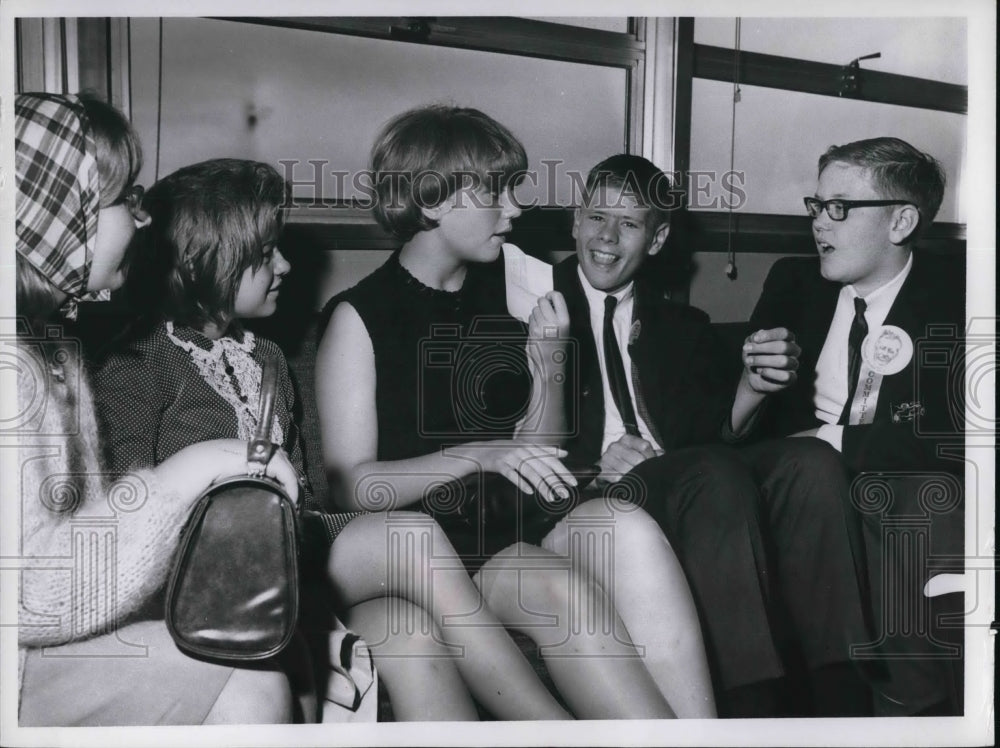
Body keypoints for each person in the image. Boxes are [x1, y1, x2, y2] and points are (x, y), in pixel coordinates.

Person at [93, 157, 572, 721]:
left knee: (409, 630)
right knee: (411, 536)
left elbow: (311, 501)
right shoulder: (138, 362)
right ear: (206, 261)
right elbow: (128, 519)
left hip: (293, 556)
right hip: (202, 578)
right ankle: (550, 728)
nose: (286, 264)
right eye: (264, 252)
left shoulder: (267, 358)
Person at [316, 104, 717, 719]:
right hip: (425, 550)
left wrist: (550, 357)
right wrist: (479, 453)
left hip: (506, 532)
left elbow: (540, 451)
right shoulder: (358, 318)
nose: (517, 208)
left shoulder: (508, 298)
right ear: (431, 202)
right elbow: (352, 488)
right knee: (564, 592)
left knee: (627, 527)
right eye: (497, 192)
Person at [553, 153, 873, 717]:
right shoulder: (527, 305)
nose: (606, 237)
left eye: (629, 224)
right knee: (711, 473)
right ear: (575, 220)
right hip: (592, 497)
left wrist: (751, 384)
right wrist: (592, 463)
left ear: (657, 239)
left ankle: (841, 693)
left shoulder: (682, 326)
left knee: (810, 459)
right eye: (596, 217)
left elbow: (714, 430)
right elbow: (511, 437)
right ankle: (752, 708)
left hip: (683, 478)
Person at [12, 93, 296, 726]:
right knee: (245, 678)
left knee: (254, 679)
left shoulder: (41, 352)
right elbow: (27, 595)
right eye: (121, 201)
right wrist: (188, 471)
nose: (141, 222)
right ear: (59, 213)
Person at [732, 137, 965, 715]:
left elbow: (954, 434)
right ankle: (909, 700)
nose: (819, 224)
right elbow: (738, 420)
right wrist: (753, 383)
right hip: (796, 475)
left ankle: (910, 703)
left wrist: (832, 440)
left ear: (901, 221)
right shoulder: (793, 282)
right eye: (816, 205)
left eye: (840, 207)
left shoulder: (956, 295)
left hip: (885, 478)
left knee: (909, 499)